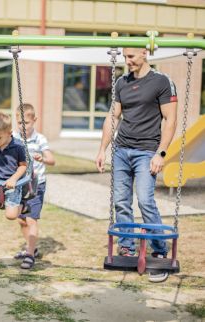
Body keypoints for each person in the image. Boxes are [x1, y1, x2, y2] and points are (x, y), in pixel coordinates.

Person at [95, 47, 178, 283]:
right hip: (121, 150)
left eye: (131, 57)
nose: (127, 61)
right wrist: (103, 149)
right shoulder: (121, 82)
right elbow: (113, 117)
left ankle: (160, 249)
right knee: (121, 202)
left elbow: (170, 120)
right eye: (124, 57)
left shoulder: (162, 82)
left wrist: (161, 153)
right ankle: (128, 247)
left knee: (145, 200)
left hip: (146, 152)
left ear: (144, 53)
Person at [13, 104, 55, 269]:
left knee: (31, 219)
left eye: (27, 123)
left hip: (35, 185)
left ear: (34, 121)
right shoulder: (14, 138)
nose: (23, 127)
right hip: (19, 185)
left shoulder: (40, 139)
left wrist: (42, 158)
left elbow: (52, 160)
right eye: (20, 123)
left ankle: (29, 255)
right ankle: (33, 248)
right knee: (20, 219)